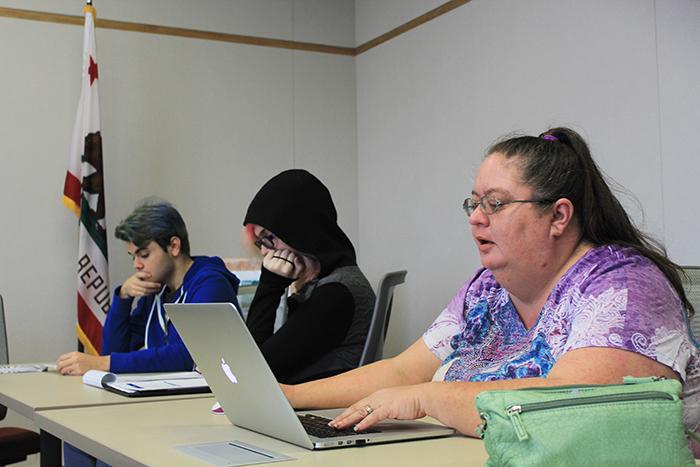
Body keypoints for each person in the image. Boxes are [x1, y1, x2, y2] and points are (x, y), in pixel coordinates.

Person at [281, 127, 700, 455]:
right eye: (473, 204)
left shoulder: (624, 285)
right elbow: (403, 372)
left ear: (558, 215)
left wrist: (429, 398)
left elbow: (572, 406)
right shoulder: (486, 288)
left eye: (495, 204)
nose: (476, 219)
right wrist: (290, 397)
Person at [57, 198, 241, 375]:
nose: (136, 265)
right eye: (133, 256)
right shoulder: (156, 289)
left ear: (174, 246)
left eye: (143, 254)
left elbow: (190, 356)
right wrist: (123, 297)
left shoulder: (210, 284)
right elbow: (115, 350)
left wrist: (102, 363)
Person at [243, 169, 376, 384]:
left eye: (270, 238)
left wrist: (270, 285)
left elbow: (256, 371)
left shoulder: (335, 294)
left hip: (318, 410)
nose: (265, 252)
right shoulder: (326, 282)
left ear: (298, 230)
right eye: (260, 243)